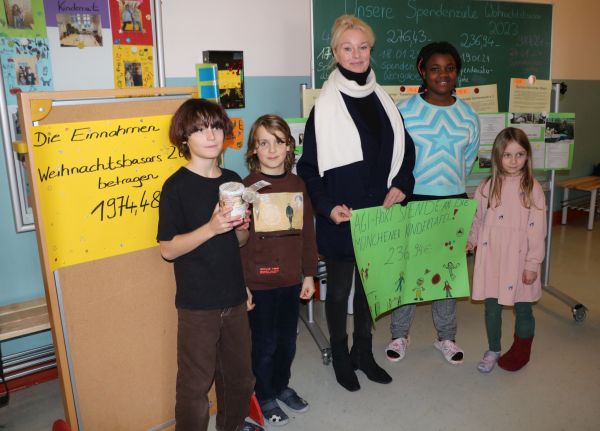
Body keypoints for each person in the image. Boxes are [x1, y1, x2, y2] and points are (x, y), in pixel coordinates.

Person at [297, 15, 415, 392]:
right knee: (341, 290)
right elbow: (309, 167)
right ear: (335, 53)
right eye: (347, 48)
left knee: (370, 289)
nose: (356, 55)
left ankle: (364, 353)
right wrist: (327, 207)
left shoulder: (383, 100)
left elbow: (405, 150)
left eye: (363, 47)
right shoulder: (324, 107)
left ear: (370, 50)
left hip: (378, 214)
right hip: (342, 218)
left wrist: (401, 184)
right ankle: (341, 355)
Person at [157, 99, 263, 431]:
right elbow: (168, 250)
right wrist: (211, 228)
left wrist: (242, 230)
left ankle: (231, 426)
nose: (210, 135)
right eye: (200, 128)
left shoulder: (233, 180)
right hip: (198, 304)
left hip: (233, 296)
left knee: (241, 378)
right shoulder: (175, 187)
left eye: (216, 126)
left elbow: (238, 243)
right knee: (194, 388)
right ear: (183, 137)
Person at [386, 41, 480, 365]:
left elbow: (467, 162)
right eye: (435, 68)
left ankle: (447, 337)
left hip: (452, 200)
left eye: (450, 68)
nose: (443, 74)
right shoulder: (405, 111)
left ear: (457, 72)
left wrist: (451, 188)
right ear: (422, 70)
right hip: (414, 200)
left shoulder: (468, 116)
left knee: (447, 276)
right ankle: (399, 334)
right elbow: (395, 158)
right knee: (408, 272)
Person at [241, 114, 317, 426]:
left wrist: (309, 273)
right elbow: (237, 242)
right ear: (254, 150)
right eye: (263, 142)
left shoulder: (298, 185)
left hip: (289, 281)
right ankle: (264, 394)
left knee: (287, 341)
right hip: (258, 284)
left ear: (289, 147)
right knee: (264, 344)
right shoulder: (246, 189)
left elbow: (307, 234)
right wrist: (241, 284)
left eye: (279, 141)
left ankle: (281, 386)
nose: (271, 149)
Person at [467, 127, 546, 373]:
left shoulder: (533, 188)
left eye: (520, 154)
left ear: (527, 156)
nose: (513, 161)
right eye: (507, 155)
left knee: (523, 307)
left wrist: (532, 264)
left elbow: (537, 229)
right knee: (492, 308)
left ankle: (522, 350)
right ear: (497, 156)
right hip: (492, 258)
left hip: (520, 259)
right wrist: (471, 241)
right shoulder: (486, 187)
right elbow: (477, 220)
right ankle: (493, 349)